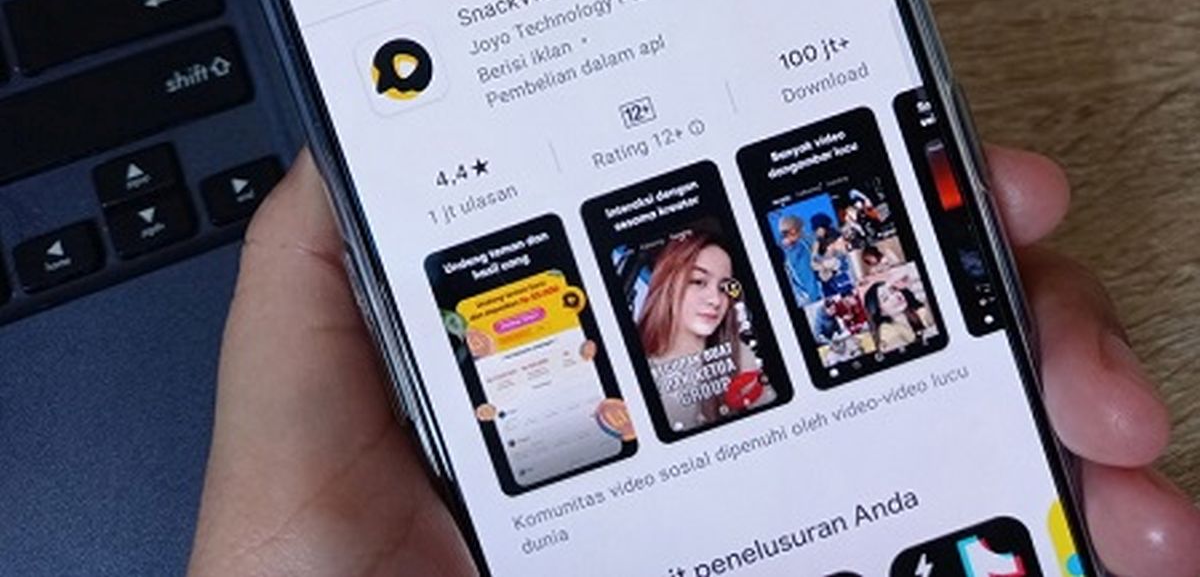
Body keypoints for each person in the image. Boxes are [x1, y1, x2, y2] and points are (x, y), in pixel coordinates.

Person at [187, 147, 1200, 577]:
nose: (718, 295)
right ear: (668, 285)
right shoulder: (607, 403)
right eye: (702, 278)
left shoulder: (755, 373)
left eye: (728, 280)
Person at [636, 232, 766, 428]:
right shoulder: (632, 365)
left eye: (724, 287)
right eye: (698, 281)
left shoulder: (741, 356)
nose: (715, 300)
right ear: (667, 284)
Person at [862, 281, 935, 352]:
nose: (895, 296)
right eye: (885, 298)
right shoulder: (887, 331)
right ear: (881, 312)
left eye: (893, 290)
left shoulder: (915, 313)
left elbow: (931, 319)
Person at [775, 213, 820, 305]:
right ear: (793, 231)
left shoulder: (803, 243)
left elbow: (814, 243)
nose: (802, 232)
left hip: (816, 291)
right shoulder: (783, 252)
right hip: (805, 297)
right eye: (800, 230)